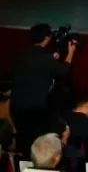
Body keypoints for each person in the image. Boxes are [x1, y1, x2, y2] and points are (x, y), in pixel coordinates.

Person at [10, 24, 76, 153]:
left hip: (16, 108)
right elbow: (64, 71)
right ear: (46, 38)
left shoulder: (20, 56)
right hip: (36, 111)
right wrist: (71, 53)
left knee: (23, 141)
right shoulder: (47, 59)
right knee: (38, 143)